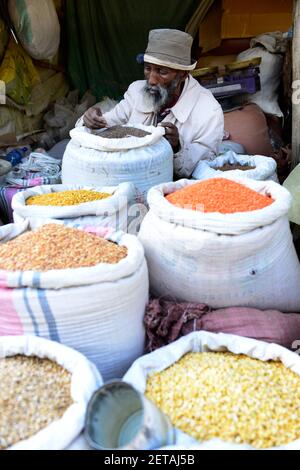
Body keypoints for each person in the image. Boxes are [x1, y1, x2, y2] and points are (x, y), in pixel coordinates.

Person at [78, 29, 224, 178]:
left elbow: (203, 168)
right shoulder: (136, 91)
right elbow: (108, 123)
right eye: (148, 69)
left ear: (183, 75)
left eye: (162, 72)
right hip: (130, 175)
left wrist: (176, 148)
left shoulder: (208, 110)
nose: (152, 80)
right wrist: (90, 120)